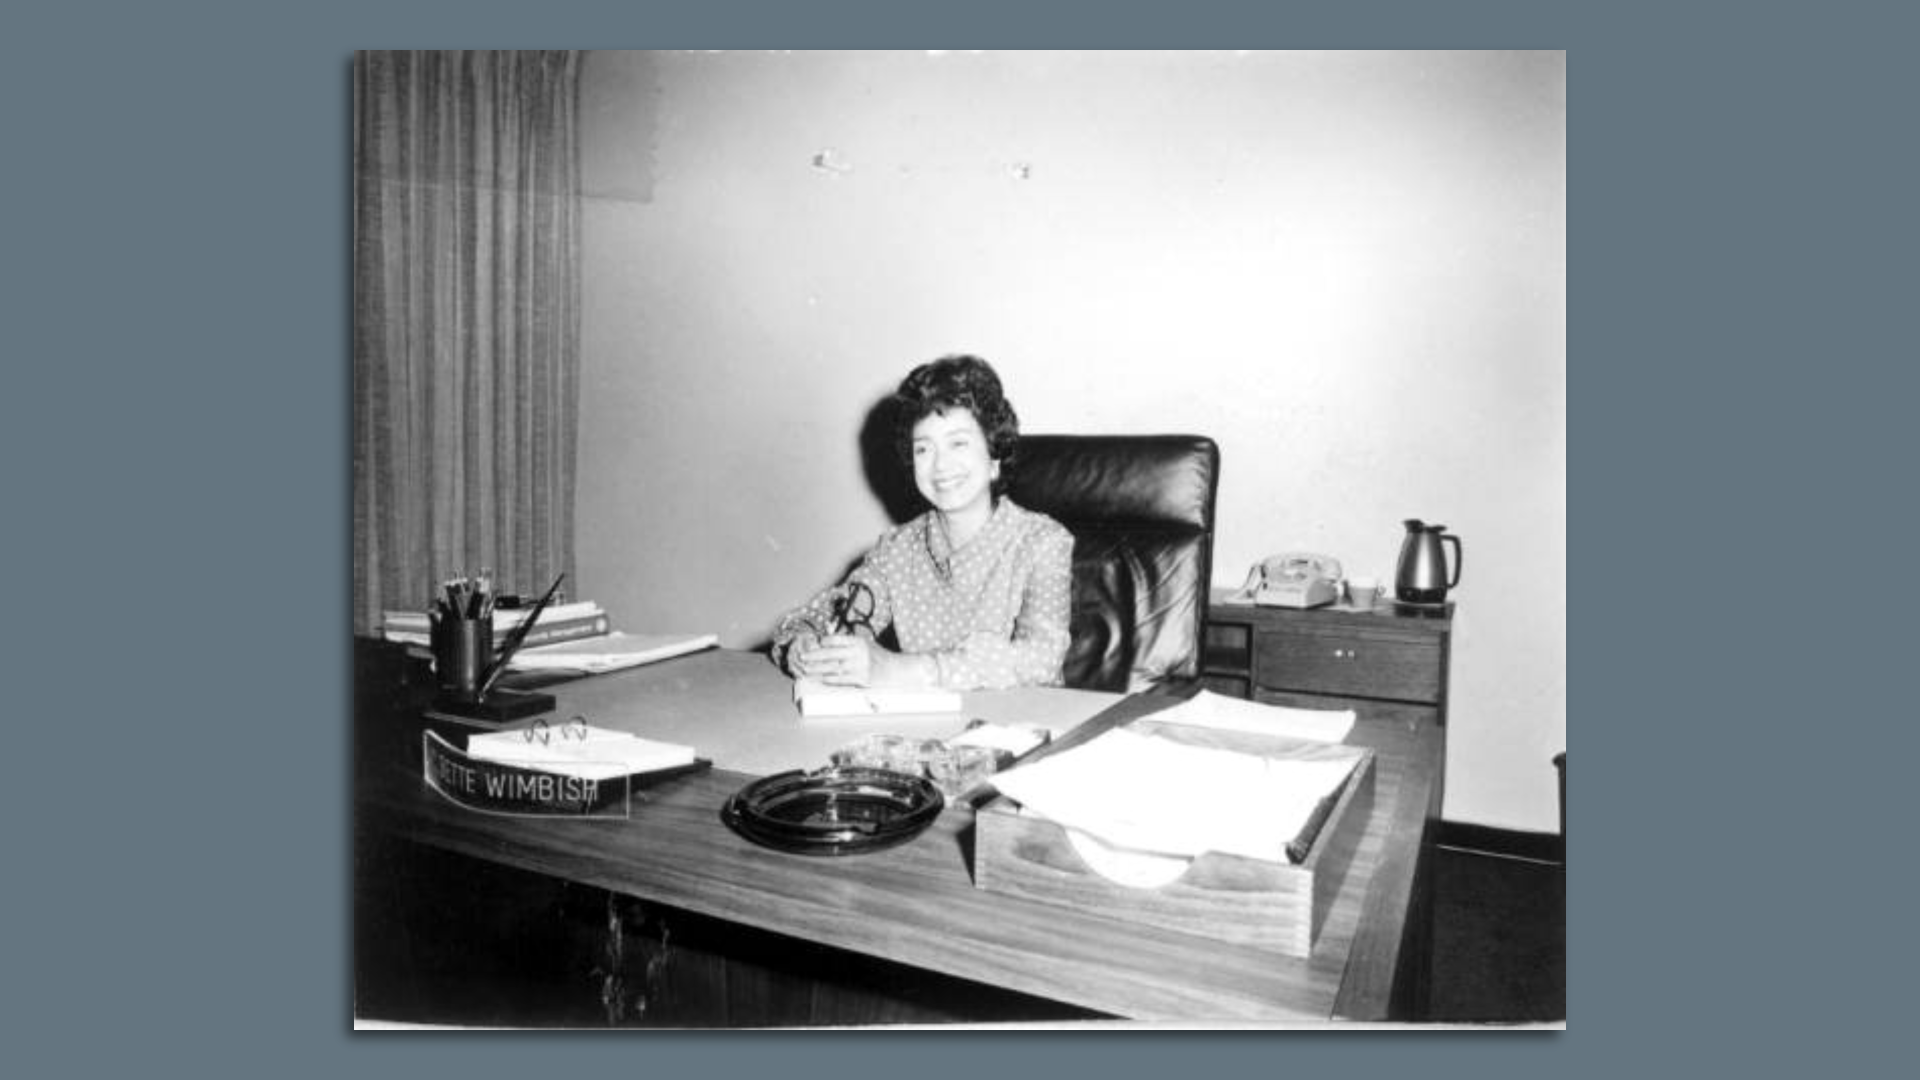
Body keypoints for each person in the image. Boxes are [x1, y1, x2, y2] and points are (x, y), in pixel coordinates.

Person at [770, 355, 1073, 690]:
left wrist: (904, 670)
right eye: (924, 449)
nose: (940, 465)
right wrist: (805, 646)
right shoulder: (898, 550)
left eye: (958, 443)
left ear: (994, 458)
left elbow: (1042, 658)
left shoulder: (1042, 542)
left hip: (1023, 718)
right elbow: (833, 615)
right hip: (926, 721)